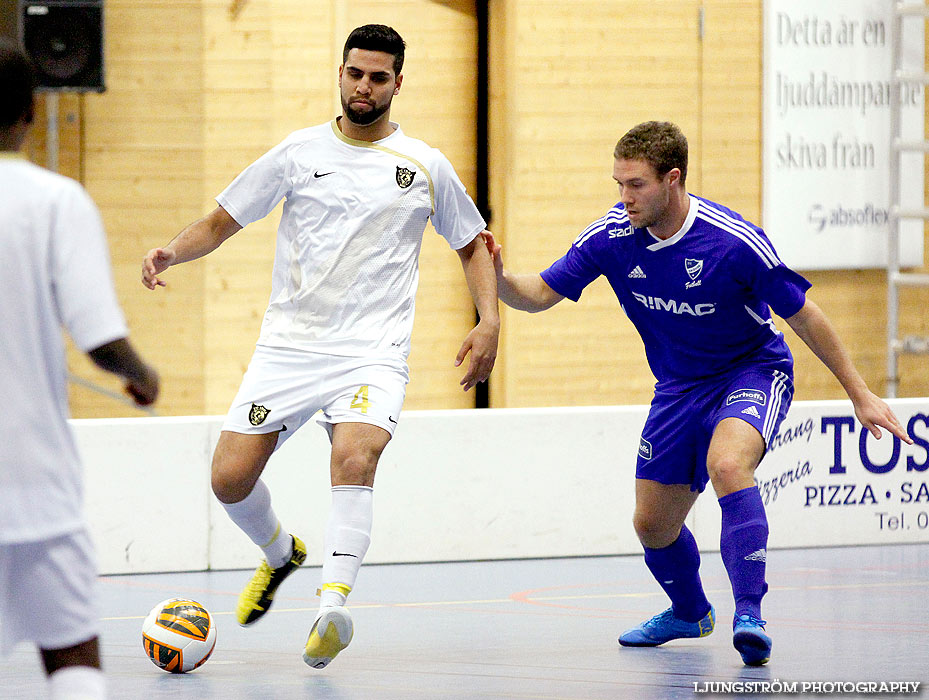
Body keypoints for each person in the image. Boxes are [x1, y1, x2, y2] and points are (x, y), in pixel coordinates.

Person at [483, 120, 912, 666]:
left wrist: (861, 394)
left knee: (729, 464)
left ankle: (750, 613)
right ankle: (689, 611)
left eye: (635, 185)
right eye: (618, 183)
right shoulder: (611, 239)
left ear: (673, 179)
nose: (624, 198)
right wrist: (499, 278)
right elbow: (540, 293)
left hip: (752, 371)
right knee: (652, 524)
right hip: (679, 387)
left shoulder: (733, 242)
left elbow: (805, 317)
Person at [141, 24, 499, 668]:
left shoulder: (424, 165)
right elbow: (223, 221)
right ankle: (282, 555)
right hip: (289, 350)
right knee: (228, 480)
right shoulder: (297, 152)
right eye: (355, 74)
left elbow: (472, 243)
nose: (364, 87)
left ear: (398, 82)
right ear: (340, 73)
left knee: (355, 459)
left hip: (371, 353)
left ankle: (332, 606)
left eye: (379, 77)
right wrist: (171, 249)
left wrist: (489, 320)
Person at [0, 40, 160, 700]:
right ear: (31, 111)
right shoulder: (55, 201)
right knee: (73, 659)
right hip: (36, 488)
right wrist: (141, 374)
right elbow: (100, 338)